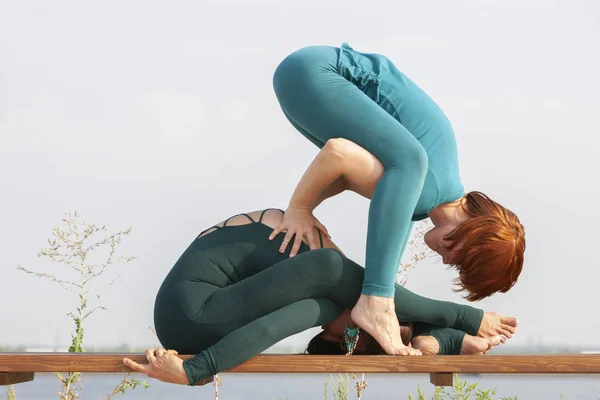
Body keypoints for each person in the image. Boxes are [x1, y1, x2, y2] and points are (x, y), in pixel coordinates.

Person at [271, 43, 526, 356]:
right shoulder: (424, 187)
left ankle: (433, 332)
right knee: (409, 162)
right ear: (474, 236)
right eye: (459, 260)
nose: (447, 261)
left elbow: (345, 172)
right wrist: (299, 209)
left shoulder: (429, 189)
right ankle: (382, 307)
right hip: (318, 74)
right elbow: (337, 151)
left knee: (382, 288)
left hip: (305, 71)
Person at [123, 208, 516, 386]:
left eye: (356, 335)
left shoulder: (320, 305)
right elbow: (375, 297)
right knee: (340, 273)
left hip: (194, 318)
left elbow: (268, 327)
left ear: (329, 337)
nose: (361, 319)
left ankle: (447, 330)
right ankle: (449, 329)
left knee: (337, 273)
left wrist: (195, 371)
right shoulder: (324, 286)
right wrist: (451, 329)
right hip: (194, 313)